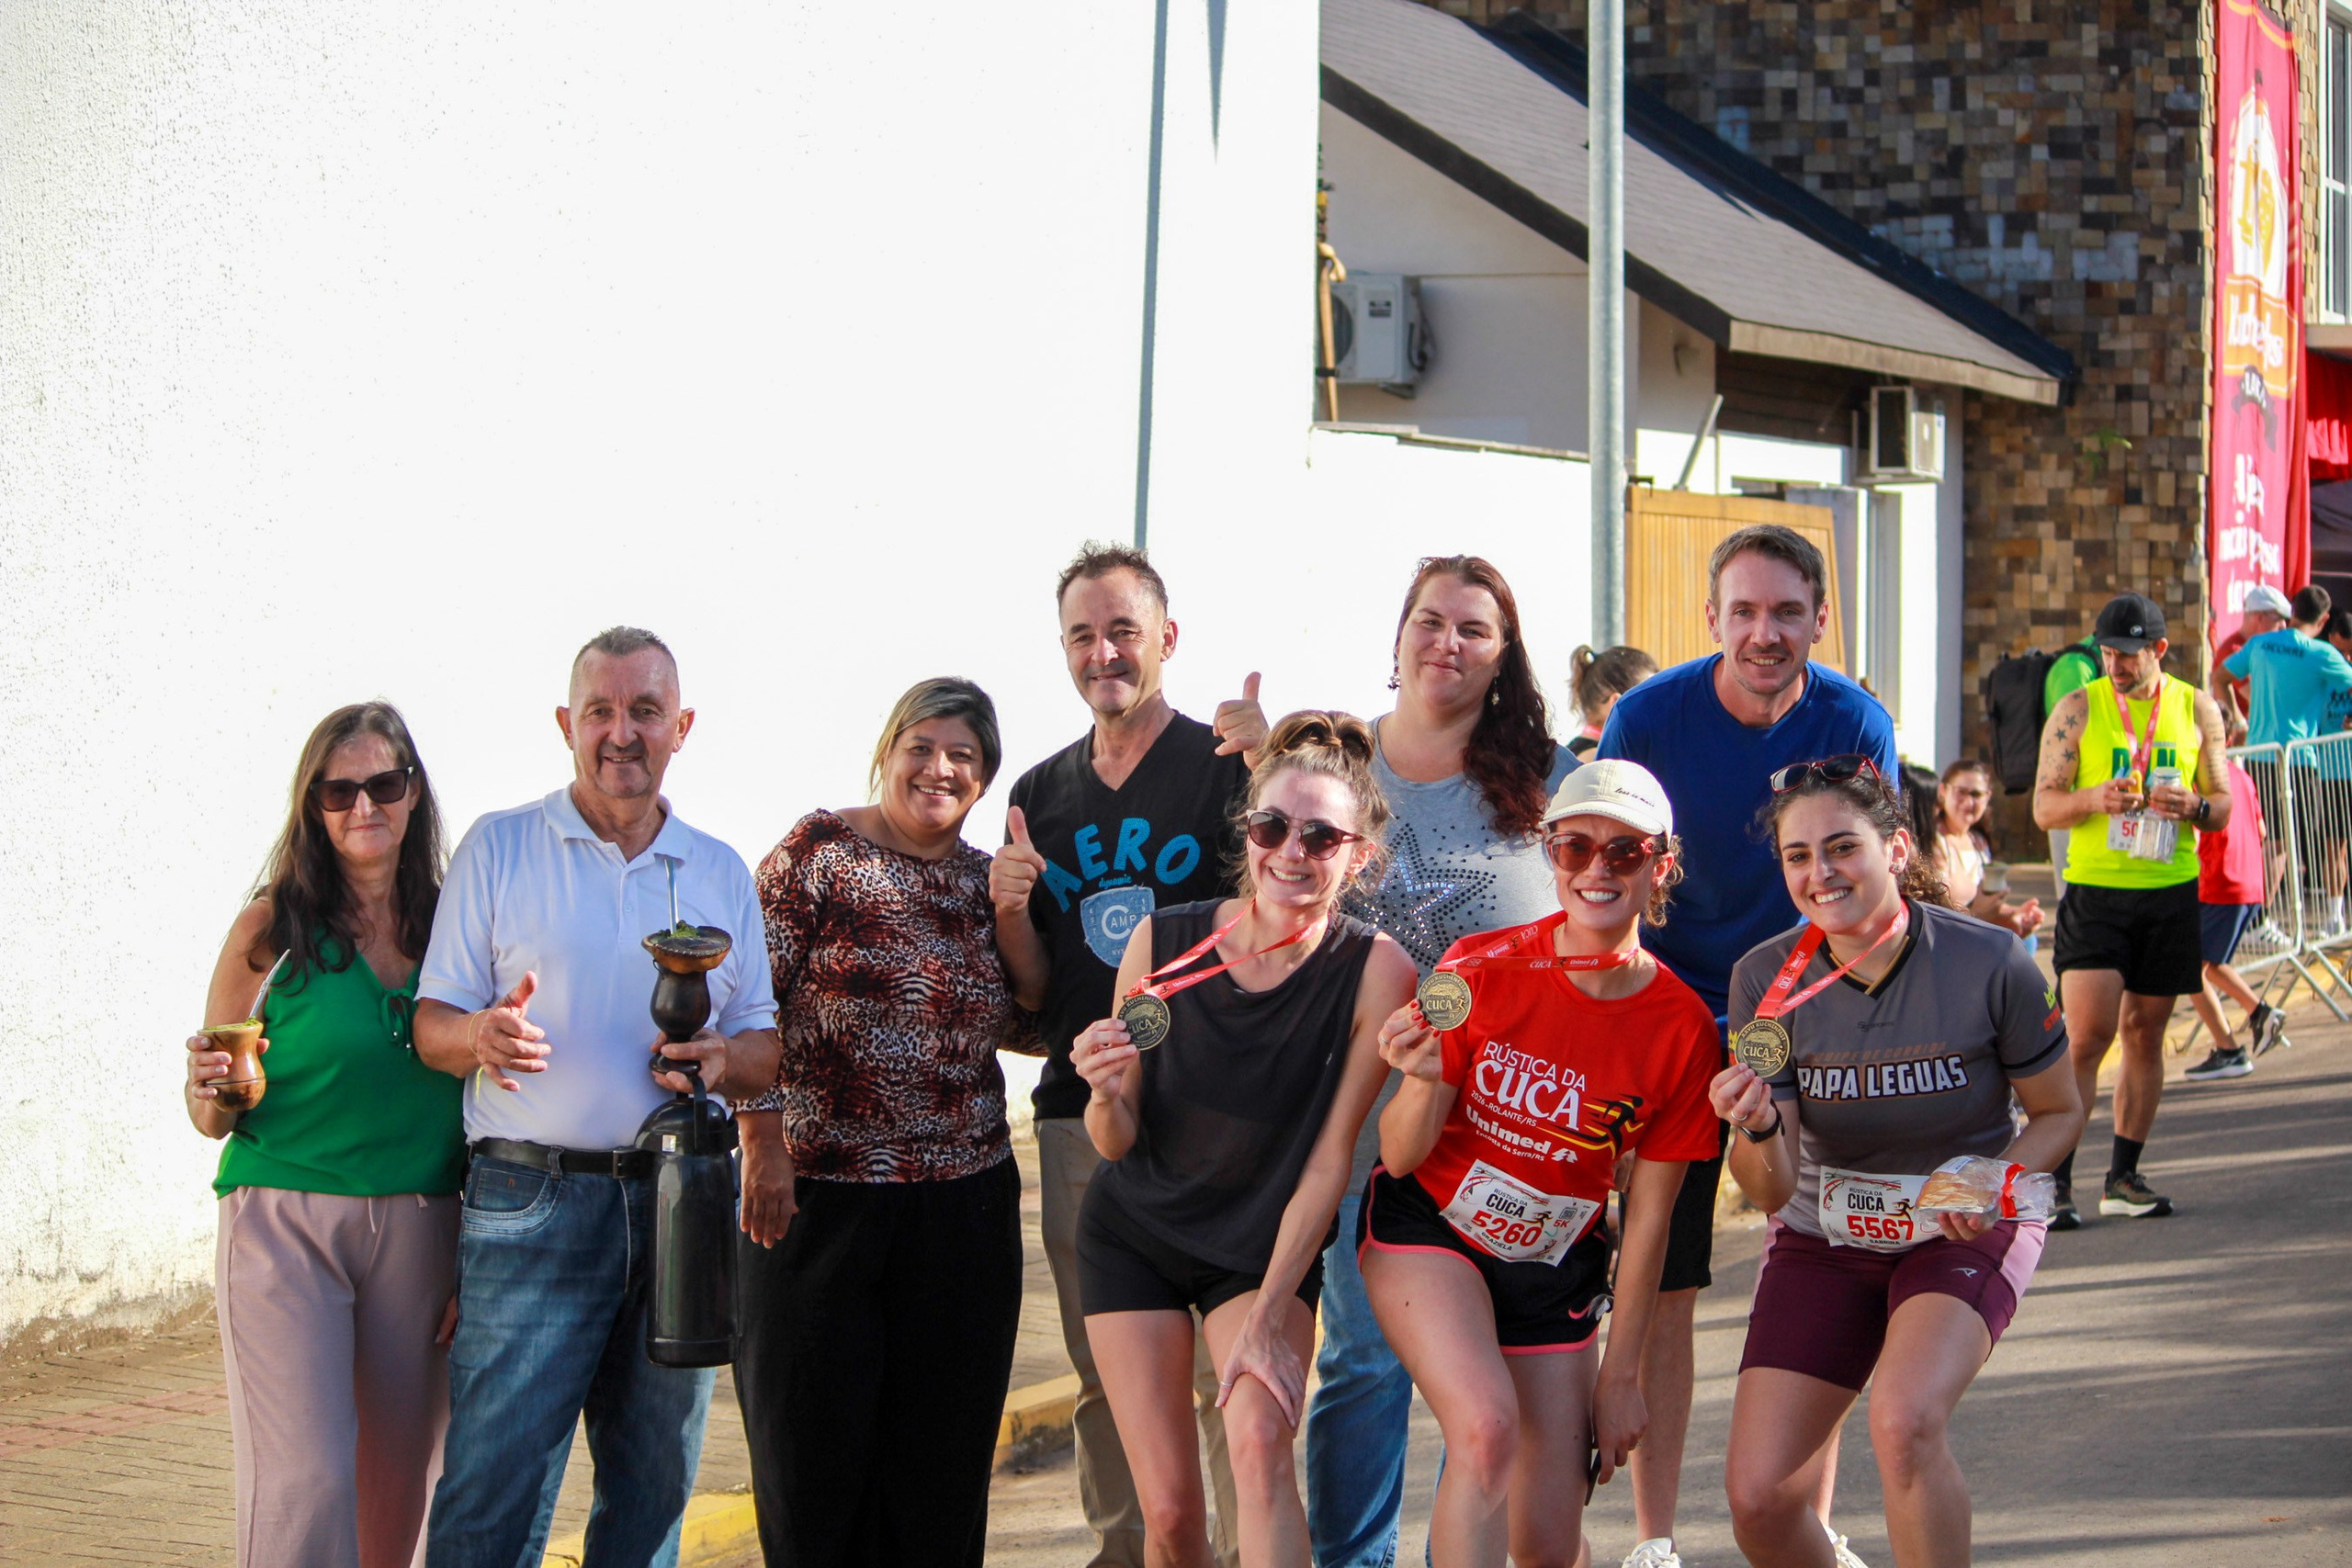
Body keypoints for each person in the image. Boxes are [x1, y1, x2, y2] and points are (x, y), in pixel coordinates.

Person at [413, 627, 781, 1568]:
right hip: (531, 1200)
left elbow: (766, 1049)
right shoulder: (500, 847)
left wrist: (720, 1062)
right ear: (565, 725)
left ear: (681, 727)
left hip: (681, 1208)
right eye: (601, 713)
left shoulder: (717, 869)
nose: (622, 734)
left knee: (652, 1496)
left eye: (645, 712)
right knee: (492, 1494)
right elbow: (430, 1024)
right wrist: (478, 1037)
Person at [1595, 524, 1897, 1568]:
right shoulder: (1647, 717)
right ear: (1711, 619)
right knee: (1661, 1278)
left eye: (1785, 613)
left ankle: (1807, 1524)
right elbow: (1603, 863)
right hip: (1671, 1017)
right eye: (1744, 612)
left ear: (1819, 617)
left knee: (1824, 1259)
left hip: (1803, 1011)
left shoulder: (1853, 721)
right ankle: (1653, 1540)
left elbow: (1864, 884)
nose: (1764, 634)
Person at [1713, 757, 2085, 1568]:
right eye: (1799, 856)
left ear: (1898, 847)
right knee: (1760, 1498)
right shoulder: (1762, 982)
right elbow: (1771, 1189)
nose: (1822, 873)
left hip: (1963, 1225)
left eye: (1842, 847)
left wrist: (1997, 1178)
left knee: (1904, 1421)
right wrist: (1755, 1129)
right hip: (1827, 1234)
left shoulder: (1990, 961)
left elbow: (2061, 1110)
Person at [1071, 713, 1417, 1568]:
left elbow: (1332, 1157)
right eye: (1271, 827)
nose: (1291, 852)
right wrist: (1106, 1090)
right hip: (1136, 1238)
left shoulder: (1377, 969)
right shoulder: (1161, 941)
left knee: (1261, 1451)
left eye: (1321, 836)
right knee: (1175, 1519)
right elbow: (1113, 1142)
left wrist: (1268, 1315)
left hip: (1260, 1249)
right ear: (1247, 832)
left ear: (1358, 855)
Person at [1361, 761, 1720, 1568]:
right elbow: (1399, 1152)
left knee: (1547, 1546)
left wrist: (1621, 1374)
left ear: (1661, 864)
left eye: (1624, 852)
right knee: (1485, 1430)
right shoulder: (1478, 966)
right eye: (1574, 846)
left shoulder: (1683, 1027)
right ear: (1549, 853)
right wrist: (1421, 1080)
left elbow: (1653, 1215)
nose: (1596, 868)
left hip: (1553, 1267)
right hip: (1433, 1230)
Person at [991, 542, 1267, 1568]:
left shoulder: (1225, 765)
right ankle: (1126, 1552)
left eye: (1122, 632)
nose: (1103, 652)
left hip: (1213, 1110)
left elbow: (1290, 900)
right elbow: (1033, 989)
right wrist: (1011, 911)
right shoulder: (1039, 789)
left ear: (1166, 640)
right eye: (1082, 635)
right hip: (1078, 1107)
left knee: (1221, 1368)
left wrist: (1274, 755)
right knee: (1105, 1362)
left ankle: (1245, 1553)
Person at [731, 679, 1038, 1565]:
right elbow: (747, 1009)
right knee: (814, 1475)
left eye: (965, 757)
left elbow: (1033, 1012)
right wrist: (760, 1140)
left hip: (964, 1215)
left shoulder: (987, 878)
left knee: (939, 1483)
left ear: (984, 780)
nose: (940, 769)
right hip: (817, 1204)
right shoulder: (817, 852)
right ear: (890, 748)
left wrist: (1013, 911)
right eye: (924, 747)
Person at [1311, 554, 1577, 1568]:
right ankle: (1352, 1560)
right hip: (1352, 1110)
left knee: (1473, 1375)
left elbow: (1587, 933)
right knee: (1362, 1363)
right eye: (1430, 621)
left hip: (1495, 1125)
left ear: (1503, 658)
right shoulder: (1336, 766)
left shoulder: (1545, 784)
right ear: (1396, 637)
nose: (1446, 644)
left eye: (1473, 630)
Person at [183, 702, 463, 1568]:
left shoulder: (459, 925)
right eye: (337, 792)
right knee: (306, 1479)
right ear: (312, 807)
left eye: (382, 783)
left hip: (423, 1226)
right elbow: (208, 1112)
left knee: (400, 1486)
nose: (362, 807)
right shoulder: (270, 930)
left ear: (413, 792)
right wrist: (216, 1090)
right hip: (283, 1222)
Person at [2032, 592, 2232, 1228]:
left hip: (2169, 887)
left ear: (2160, 650)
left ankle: (2123, 1176)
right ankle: (2056, 1182)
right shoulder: (2077, 708)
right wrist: (2093, 797)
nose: (2114, 664)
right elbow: (2043, 805)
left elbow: (2224, 800)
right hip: (2096, 891)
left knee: (2147, 1033)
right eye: (2107, 652)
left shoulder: (2195, 705)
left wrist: (2194, 808)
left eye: (2127, 654)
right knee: (2087, 1035)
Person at [2220, 584, 2352, 936]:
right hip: (2297, 760)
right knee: (2283, 842)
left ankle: (2253, 918)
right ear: (2324, 620)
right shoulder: (2321, 653)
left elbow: (2220, 678)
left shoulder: (2261, 644)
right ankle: (2256, 921)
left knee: (2268, 839)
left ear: (2292, 612)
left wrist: (2236, 721)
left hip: (2260, 756)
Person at [2182, 755, 2290, 1082]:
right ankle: (2261, 1014)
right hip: (2248, 881)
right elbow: (2261, 829)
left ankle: (2229, 1050)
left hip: (2221, 882)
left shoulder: (2197, 776)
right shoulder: (2241, 776)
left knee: (2188, 970)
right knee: (2208, 963)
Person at [1902, 761, 2041, 939]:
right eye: (1961, 792)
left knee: (2027, 940)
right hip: (1949, 936)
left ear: (1988, 797)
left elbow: (1985, 906)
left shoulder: (1979, 841)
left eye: (1976, 794)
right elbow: (1936, 917)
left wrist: (2016, 913)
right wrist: (1980, 915)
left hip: (1974, 929)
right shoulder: (1929, 840)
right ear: (1943, 792)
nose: (1969, 802)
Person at [2041, 629, 2104, 896]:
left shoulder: (2097, 663)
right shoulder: (2076, 667)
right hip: (2068, 796)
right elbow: (2072, 737)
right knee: (2073, 895)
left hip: (2093, 799)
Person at [1568, 644, 1657, 757]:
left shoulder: (1574, 755)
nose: (1657, 712)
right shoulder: (1601, 759)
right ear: (1617, 704)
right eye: (1649, 702)